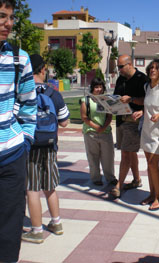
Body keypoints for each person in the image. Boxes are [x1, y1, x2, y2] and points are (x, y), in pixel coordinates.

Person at [0, 0, 37, 260]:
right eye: (2, 16)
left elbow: (29, 107)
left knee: (9, 231)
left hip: (11, 156)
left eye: (11, 18)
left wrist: (24, 142)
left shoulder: (18, 58)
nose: (8, 24)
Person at [21, 54, 70, 244]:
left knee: (32, 188)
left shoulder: (22, 92)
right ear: (43, 70)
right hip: (50, 146)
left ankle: (35, 231)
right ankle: (56, 223)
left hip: (30, 146)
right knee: (50, 186)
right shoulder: (53, 93)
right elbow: (65, 122)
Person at [133, 59, 159, 211]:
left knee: (153, 164)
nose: (152, 70)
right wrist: (141, 112)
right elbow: (148, 106)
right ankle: (152, 194)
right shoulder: (146, 87)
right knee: (150, 166)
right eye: (151, 68)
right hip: (146, 131)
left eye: (156, 68)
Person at [110, 54, 147, 198]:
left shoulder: (141, 79)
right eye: (118, 67)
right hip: (121, 121)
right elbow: (115, 97)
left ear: (130, 64)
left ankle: (119, 185)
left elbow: (148, 100)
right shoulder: (120, 79)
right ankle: (137, 180)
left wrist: (133, 101)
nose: (119, 70)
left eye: (121, 67)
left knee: (125, 153)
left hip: (133, 122)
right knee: (130, 153)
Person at [80, 77, 117, 186]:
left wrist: (103, 127)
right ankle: (96, 178)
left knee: (108, 156)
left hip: (105, 132)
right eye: (96, 87)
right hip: (90, 132)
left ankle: (110, 177)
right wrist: (95, 127)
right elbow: (84, 117)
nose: (99, 89)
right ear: (92, 88)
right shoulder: (86, 100)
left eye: (101, 87)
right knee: (92, 156)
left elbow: (109, 116)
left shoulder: (106, 100)